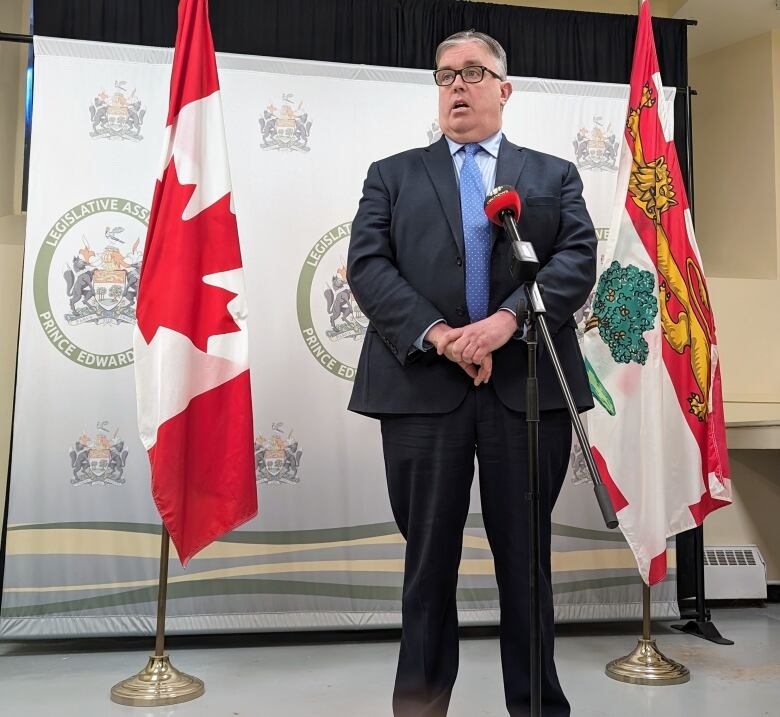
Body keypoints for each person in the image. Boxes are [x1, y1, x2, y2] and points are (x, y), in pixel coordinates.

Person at [347, 30, 596, 717]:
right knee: (427, 566)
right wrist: (441, 334)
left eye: (474, 72)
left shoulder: (550, 175)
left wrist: (505, 321)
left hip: (528, 389)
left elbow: (575, 258)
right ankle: (421, 709)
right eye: (446, 74)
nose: (457, 85)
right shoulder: (391, 174)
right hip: (423, 389)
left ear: (503, 89)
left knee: (528, 566)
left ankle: (539, 709)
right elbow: (368, 266)